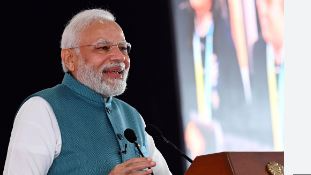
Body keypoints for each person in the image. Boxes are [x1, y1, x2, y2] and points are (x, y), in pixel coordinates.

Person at [3, 8, 172, 175]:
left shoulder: (132, 116)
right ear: (70, 59)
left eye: (123, 48)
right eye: (103, 47)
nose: (120, 57)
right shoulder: (41, 109)